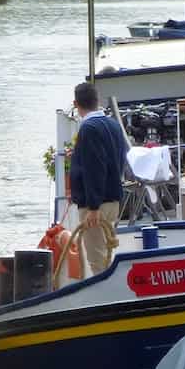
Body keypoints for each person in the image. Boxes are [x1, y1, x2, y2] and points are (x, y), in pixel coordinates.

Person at [67, 82, 129, 276]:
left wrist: (93, 207)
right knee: (106, 253)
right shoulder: (113, 124)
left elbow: (95, 168)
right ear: (98, 101)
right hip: (113, 199)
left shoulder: (88, 129)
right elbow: (118, 159)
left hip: (96, 205)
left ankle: (106, 302)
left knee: (97, 260)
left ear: (76, 104)